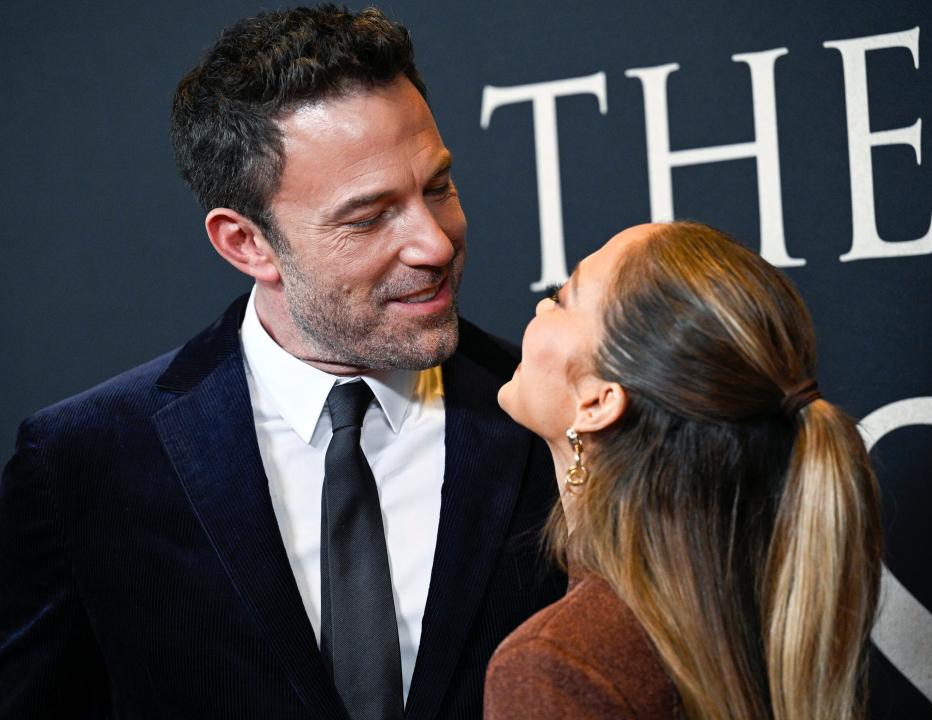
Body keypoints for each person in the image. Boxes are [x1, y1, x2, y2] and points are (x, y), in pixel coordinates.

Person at [0, 6, 565, 719]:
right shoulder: (84, 464)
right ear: (247, 244)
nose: (433, 244)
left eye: (438, 188)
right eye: (369, 217)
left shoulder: (554, 421)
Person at [485, 221, 883, 720]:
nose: (542, 307)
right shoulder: (771, 605)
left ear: (597, 403)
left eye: (563, 300)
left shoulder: (556, 666)